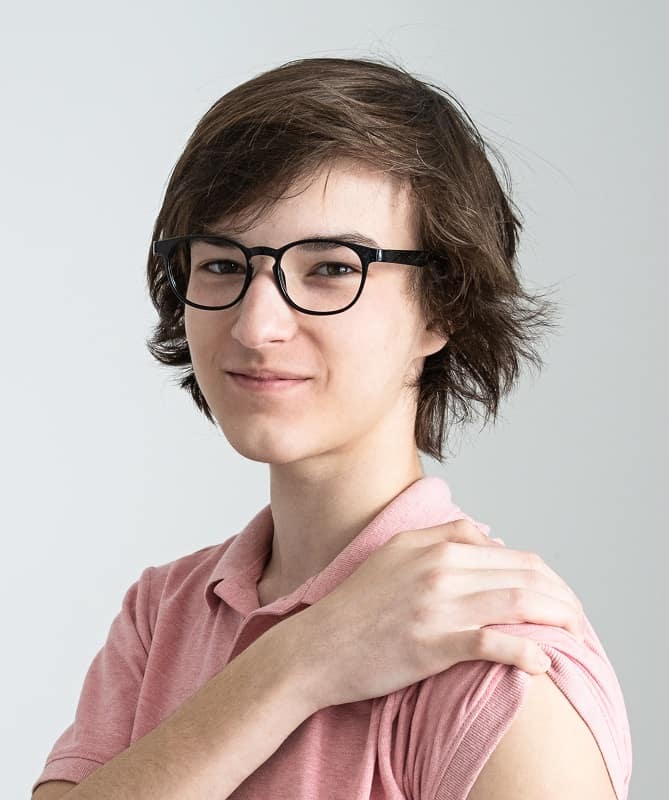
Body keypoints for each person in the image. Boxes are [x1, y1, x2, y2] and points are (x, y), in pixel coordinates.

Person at [32, 56, 631, 799]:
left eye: (330, 269)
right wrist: (302, 661)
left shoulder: (499, 664)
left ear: (441, 306)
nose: (257, 325)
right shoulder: (162, 614)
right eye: (222, 263)